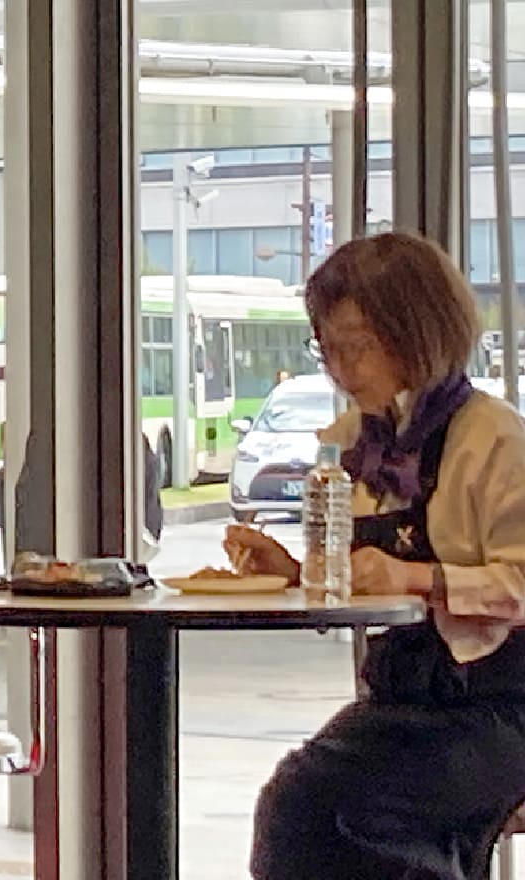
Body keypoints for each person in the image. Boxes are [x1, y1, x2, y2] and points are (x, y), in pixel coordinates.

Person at [225, 232, 525, 879]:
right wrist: (295, 572)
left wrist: (417, 577)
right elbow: (362, 572)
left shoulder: (492, 436)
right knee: (292, 804)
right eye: (326, 348)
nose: (339, 367)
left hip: (499, 704)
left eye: (355, 346)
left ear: (418, 331)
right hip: (407, 698)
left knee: (349, 809)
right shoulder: (364, 445)